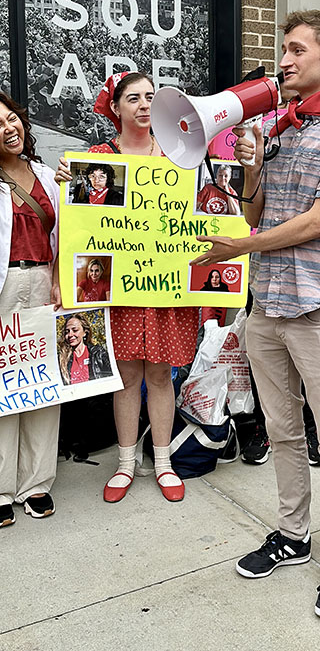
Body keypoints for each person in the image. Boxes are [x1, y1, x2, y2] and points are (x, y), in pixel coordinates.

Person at [191, 10, 320, 620]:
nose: (285, 60)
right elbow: (255, 212)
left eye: (297, 49)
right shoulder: (280, 124)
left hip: (318, 303)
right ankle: (293, 535)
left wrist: (239, 248)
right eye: (284, 49)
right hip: (268, 301)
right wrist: (252, 167)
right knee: (282, 429)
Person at [56, 72, 198, 502]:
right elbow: (78, 228)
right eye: (133, 98)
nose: (143, 105)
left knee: (160, 374)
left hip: (164, 284)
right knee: (126, 376)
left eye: (150, 97)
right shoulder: (98, 160)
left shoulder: (178, 155)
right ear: (114, 107)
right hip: (117, 288)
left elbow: (195, 217)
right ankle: (125, 463)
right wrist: (66, 183)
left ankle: (164, 462)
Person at [0, 92, 60, 527]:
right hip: (3, 285)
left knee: (41, 381)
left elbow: (68, 233)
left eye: (11, 118)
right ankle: (1, 487)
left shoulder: (46, 174)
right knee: (3, 384)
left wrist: (59, 279)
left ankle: (37, 483)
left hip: (43, 280)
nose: (8, 128)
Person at [58, 313, 113, 385]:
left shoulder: (98, 353)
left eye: (75, 330)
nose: (70, 335)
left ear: (85, 332)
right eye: (67, 332)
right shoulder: (62, 359)